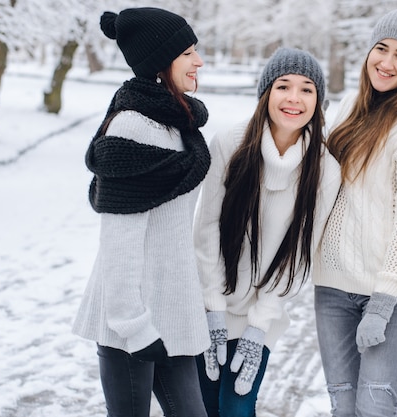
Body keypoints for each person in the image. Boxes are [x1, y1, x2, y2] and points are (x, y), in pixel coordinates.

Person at [72, 7, 211, 417]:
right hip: (131, 322)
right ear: (159, 61)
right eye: (187, 53)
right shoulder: (132, 127)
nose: (198, 61)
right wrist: (132, 324)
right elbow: (119, 240)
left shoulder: (181, 126)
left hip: (173, 312)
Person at [312, 9, 397, 417]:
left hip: (396, 288)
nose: (387, 63)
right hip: (335, 285)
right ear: (369, 50)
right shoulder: (349, 108)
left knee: (374, 404)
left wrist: (383, 300)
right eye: (382, 48)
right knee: (343, 405)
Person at [193, 47, 341, 417]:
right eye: (283, 86)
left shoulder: (325, 170)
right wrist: (213, 309)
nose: (294, 98)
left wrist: (259, 328)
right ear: (266, 93)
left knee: (236, 407)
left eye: (307, 89)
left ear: (318, 101)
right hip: (209, 303)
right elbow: (206, 227)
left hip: (262, 312)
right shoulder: (230, 143)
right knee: (203, 406)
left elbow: (300, 256)